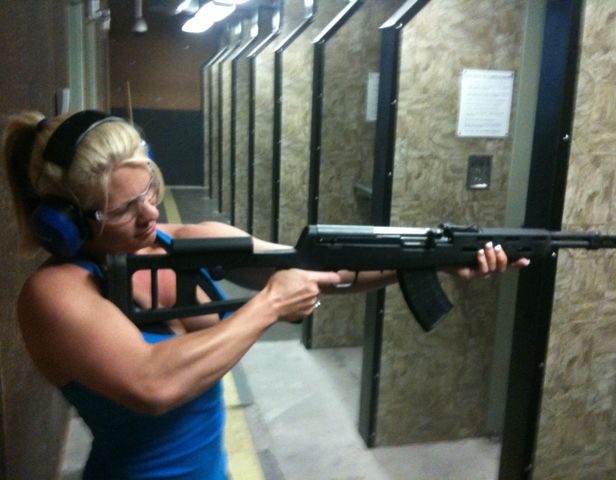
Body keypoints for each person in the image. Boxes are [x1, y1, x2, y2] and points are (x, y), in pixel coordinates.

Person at [2, 110, 528, 480]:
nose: (151, 214)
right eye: (122, 210)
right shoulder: (55, 294)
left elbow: (324, 268)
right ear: (66, 222)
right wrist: (270, 305)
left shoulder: (183, 242)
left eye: (150, 191)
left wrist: (431, 259)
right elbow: (152, 383)